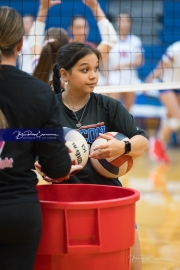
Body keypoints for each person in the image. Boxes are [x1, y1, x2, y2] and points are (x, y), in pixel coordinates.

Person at [0, 6, 82, 270]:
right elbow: (56, 167)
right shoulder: (39, 93)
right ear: (20, 43)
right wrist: (64, 166)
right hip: (18, 211)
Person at [145, 41, 180, 163]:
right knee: (178, 118)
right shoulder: (176, 48)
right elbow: (160, 67)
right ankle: (156, 141)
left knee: (171, 118)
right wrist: (148, 81)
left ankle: (160, 145)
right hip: (167, 85)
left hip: (178, 85)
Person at [105, 11, 144, 111]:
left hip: (130, 79)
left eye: (126, 21)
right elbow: (104, 60)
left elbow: (140, 61)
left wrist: (121, 65)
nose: (123, 23)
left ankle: (126, 126)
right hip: (114, 78)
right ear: (117, 22)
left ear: (130, 23)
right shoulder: (110, 39)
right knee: (111, 110)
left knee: (128, 112)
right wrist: (106, 78)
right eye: (121, 20)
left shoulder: (135, 40)